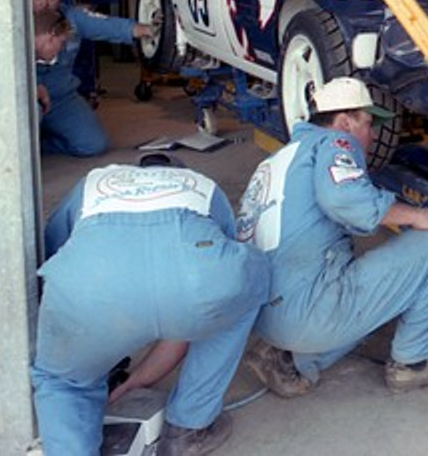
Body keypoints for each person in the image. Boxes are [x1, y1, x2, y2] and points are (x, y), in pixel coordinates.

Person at [236, 76, 428, 396]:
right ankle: (417, 362)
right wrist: (418, 215)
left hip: (264, 316)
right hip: (305, 311)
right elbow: (344, 199)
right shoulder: (335, 142)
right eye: (368, 123)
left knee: (366, 288)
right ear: (344, 122)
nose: (374, 134)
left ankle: (287, 357)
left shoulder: (279, 160)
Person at [31, 155, 271, 456]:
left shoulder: (94, 183)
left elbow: (50, 248)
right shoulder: (203, 186)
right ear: (180, 173)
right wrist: (139, 378)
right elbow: (210, 300)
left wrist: (78, 347)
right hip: (194, 280)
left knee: (64, 382)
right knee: (243, 288)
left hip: (91, 288)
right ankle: (189, 425)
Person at [32, 0, 154, 156]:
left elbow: (109, 26)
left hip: (62, 98)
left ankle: (43, 145)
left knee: (93, 145)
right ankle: (30, 143)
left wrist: (149, 30)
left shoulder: (73, 19)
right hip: (29, 98)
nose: (44, 4)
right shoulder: (14, 22)